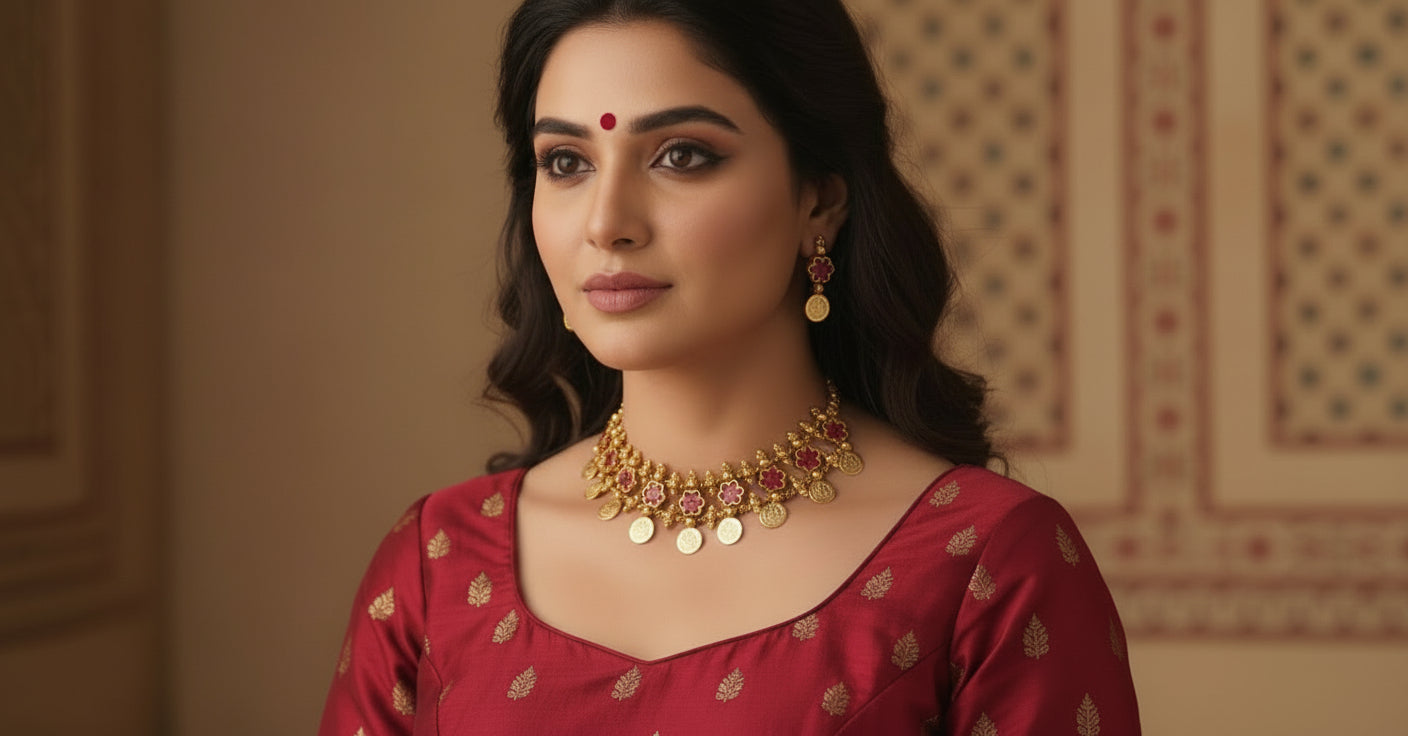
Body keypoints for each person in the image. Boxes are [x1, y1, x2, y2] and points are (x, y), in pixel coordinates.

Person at [319, 0, 1140, 733]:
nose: (607, 223)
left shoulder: (984, 563)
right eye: (566, 163)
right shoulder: (437, 565)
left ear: (819, 198)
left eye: (681, 155)